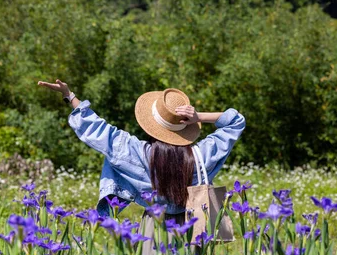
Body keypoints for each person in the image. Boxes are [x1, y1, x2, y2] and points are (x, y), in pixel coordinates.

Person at [37, 79, 245, 223]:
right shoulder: (202, 155)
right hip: (194, 225)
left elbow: (97, 128)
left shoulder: (134, 151)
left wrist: (69, 95)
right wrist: (199, 116)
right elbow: (236, 122)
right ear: (185, 128)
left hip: (153, 227)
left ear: (151, 125)